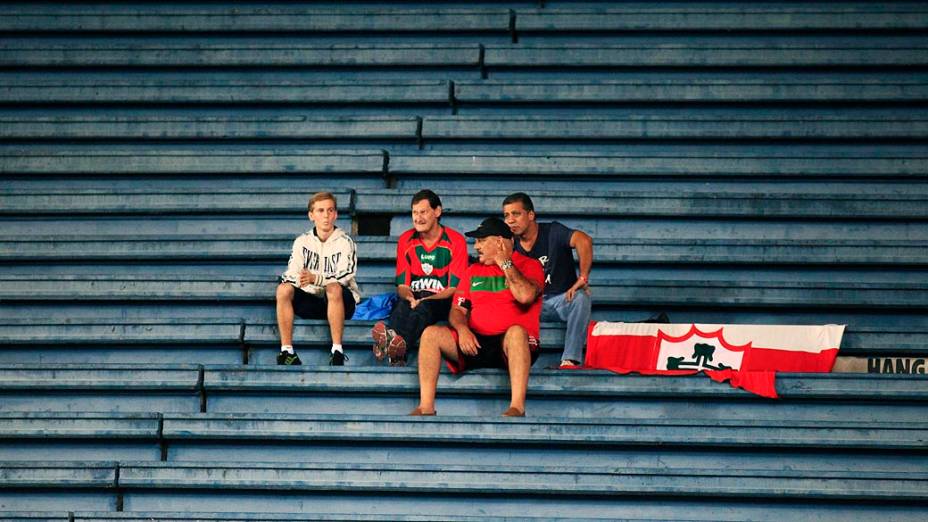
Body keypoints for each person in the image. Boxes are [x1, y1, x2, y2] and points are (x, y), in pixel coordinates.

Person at [410, 217, 544, 417]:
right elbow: (457, 310)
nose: (476, 246)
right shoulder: (472, 271)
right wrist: (462, 330)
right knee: (430, 334)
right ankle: (425, 407)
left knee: (516, 333)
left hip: (512, 345)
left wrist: (504, 262)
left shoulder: (530, 265)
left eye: (481, 240)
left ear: (499, 242)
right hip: (476, 343)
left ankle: (517, 407)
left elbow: (525, 296)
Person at [371, 190, 467, 366]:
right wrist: (408, 296)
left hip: (440, 299)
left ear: (437, 212)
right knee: (402, 304)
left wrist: (424, 299)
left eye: (423, 212)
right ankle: (397, 352)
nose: (418, 218)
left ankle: (392, 343)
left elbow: (453, 289)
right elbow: (402, 285)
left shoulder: (456, 241)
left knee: (423, 307)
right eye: (414, 213)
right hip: (414, 296)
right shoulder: (406, 240)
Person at [503, 192, 593, 369]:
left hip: (559, 300)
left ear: (531, 215)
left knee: (581, 298)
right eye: (506, 215)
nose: (510, 220)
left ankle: (570, 360)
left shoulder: (553, 232)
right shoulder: (509, 243)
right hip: (528, 305)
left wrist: (583, 276)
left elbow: (584, 240)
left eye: (516, 214)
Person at [276, 192, 361, 366]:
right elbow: (291, 272)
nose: (326, 215)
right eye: (321, 210)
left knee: (334, 288)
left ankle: (337, 351)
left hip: (342, 303)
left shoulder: (345, 242)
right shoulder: (302, 242)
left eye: (330, 210)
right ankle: (287, 352)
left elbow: (345, 276)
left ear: (336, 214)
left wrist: (317, 278)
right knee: (283, 289)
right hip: (313, 300)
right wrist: (301, 280)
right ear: (311, 215)